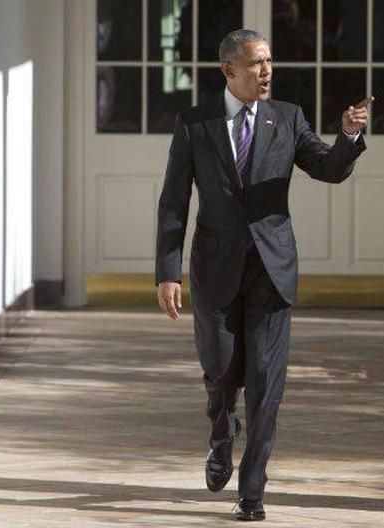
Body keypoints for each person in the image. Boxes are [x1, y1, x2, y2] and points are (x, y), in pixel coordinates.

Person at [154, 28, 371, 521]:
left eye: (269, 61)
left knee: (267, 383)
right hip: (214, 270)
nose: (267, 71)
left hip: (272, 272)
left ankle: (251, 492)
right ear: (228, 70)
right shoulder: (195, 123)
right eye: (256, 64)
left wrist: (350, 136)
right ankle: (220, 434)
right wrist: (168, 272)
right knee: (220, 372)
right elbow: (173, 201)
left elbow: (328, 169)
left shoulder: (288, 118)